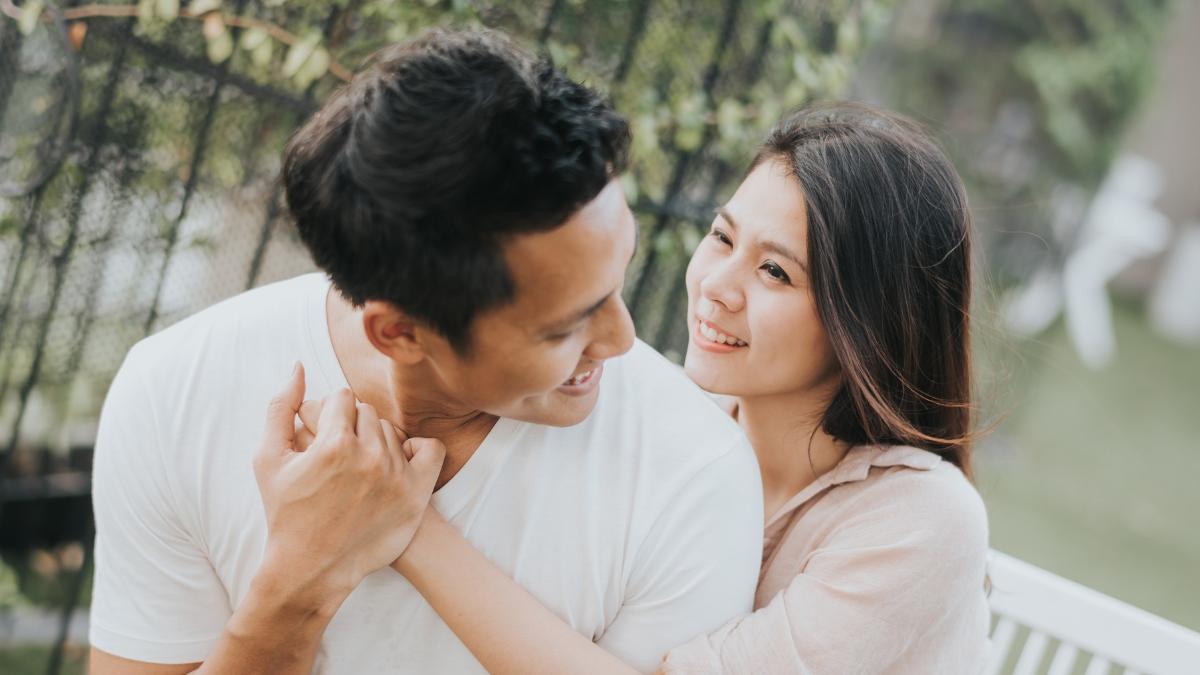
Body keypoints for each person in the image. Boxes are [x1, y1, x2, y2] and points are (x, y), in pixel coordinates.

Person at [87, 29, 763, 674]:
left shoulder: (695, 473)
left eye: (617, 280)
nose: (622, 339)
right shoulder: (173, 392)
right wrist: (295, 587)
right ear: (401, 332)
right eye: (565, 327)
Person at [298, 103, 992, 673]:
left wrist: (407, 522)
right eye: (722, 238)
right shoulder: (683, 430)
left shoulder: (922, 523)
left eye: (775, 273)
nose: (716, 287)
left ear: (867, 322)